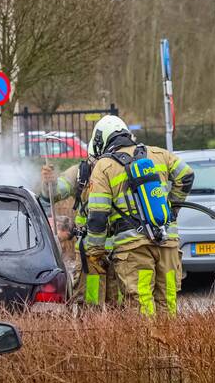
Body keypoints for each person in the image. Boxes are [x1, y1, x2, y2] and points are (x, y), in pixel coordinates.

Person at [84, 115, 194, 315]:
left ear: (103, 139)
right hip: (168, 243)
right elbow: (186, 175)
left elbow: (98, 215)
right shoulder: (159, 153)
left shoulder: (104, 166)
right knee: (168, 299)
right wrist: (171, 210)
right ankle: (170, 336)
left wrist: (95, 251)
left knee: (141, 303)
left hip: (133, 248)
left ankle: (147, 338)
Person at [40, 151, 119, 305]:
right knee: (90, 303)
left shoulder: (123, 169)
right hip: (89, 254)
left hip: (119, 252)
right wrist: (51, 183)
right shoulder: (80, 172)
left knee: (119, 304)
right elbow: (56, 192)